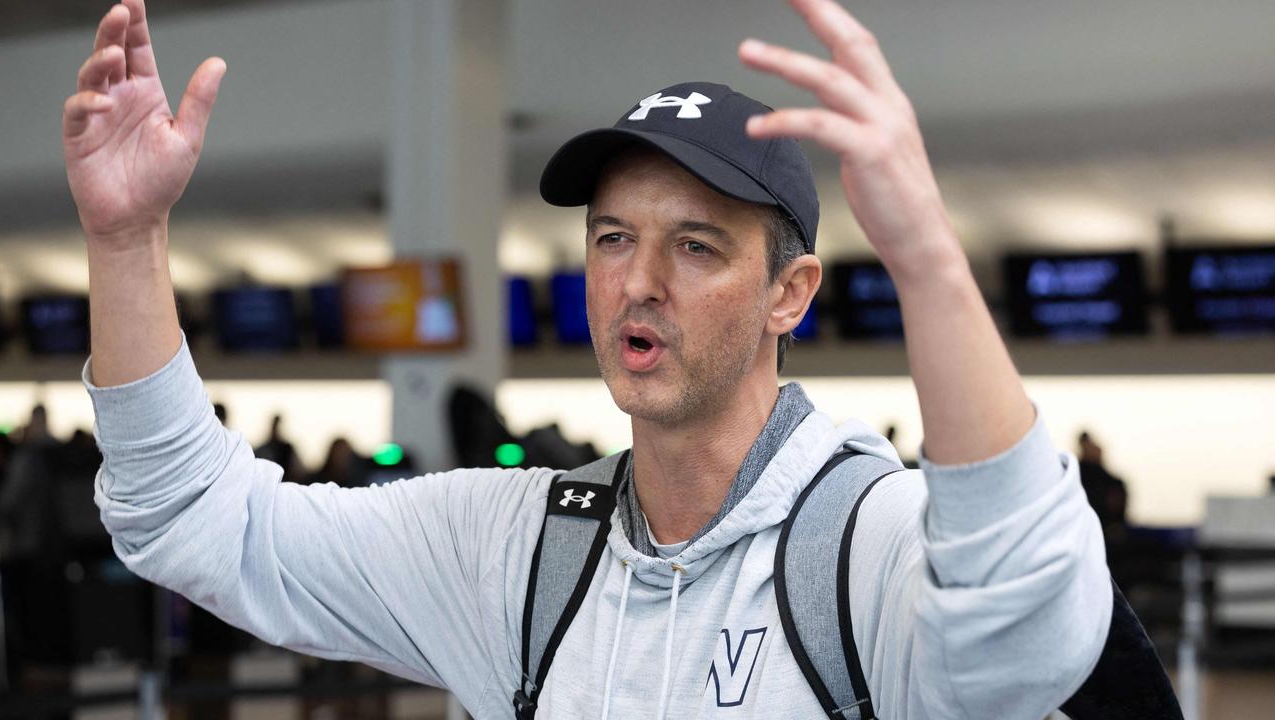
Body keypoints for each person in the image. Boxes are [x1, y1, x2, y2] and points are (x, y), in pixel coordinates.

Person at [63, 0, 1110, 717]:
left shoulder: (857, 544)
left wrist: (924, 254)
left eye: (695, 245)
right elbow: (201, 524)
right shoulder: (512, 552)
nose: (638, 279)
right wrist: (123, 244)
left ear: (786, 295)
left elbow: (1025, 631)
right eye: (612, 238)